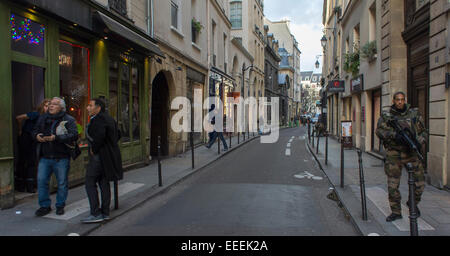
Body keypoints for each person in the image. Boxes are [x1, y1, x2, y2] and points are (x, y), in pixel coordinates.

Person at [375, 91, 427, 222]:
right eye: (397, 99)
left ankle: (413, 203)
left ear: (405, 100)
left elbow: (424, 132)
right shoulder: (387, 116)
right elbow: (379, 131)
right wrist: (394, 135)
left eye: (402, 99)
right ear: (393, 101)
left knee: (420, 184)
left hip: (411, 152)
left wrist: (419, 140)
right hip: (394, 154)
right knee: (393, 185)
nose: (400, 102)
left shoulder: (414, 114)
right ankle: (396, 212)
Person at [32, 97, 78, 217]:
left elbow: (74, 135)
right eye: (50, 104)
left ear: (61, 108)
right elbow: (34, 131)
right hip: (45, 157)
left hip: (61, 157)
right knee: (41, 181)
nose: (51, 106)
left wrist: (56, 138)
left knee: (62, 183)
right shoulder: (43, 118)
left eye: (55, 104)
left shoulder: (69, 119)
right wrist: (37, 136)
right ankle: (44, 206)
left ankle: (60, 205)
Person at [81, 98, 123, 223]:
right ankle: (105, 212)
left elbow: (99, 135)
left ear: (98, 108)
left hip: (99, 156)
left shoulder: (99, 119)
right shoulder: (109, 118)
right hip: (109, 156)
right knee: (103, 183)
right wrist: (110, 145)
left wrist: (95, 148)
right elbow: (118, 134)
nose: (87, 108)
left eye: (90, 105)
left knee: (90, 182)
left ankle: (95, 213)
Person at [15, 99, 50, 193]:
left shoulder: (46, 117)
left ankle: (29, 186)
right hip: (26, 138)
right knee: (23, 160)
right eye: (46, 106)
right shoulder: (36, 114)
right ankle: (20, 185)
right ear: (42, 106)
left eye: (49, 106)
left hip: (34, 139)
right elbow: (19, 117)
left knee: (32, 161)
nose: (47, 108)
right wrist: (20, 130)